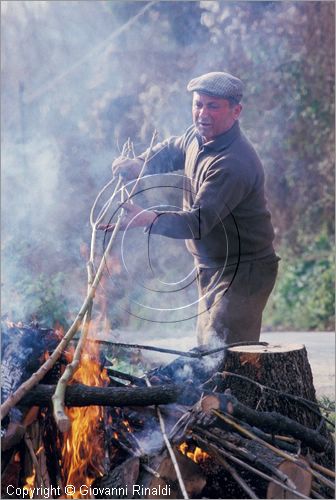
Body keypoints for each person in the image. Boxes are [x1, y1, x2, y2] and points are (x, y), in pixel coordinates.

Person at [101, 71, 279, 347]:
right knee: (207, 351)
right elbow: (174, 147)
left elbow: (198, 222)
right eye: (198, 104)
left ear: (236, 111)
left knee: (221, 354)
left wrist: (148, 219)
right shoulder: (198, 136)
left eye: (213, 106)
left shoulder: (233, 164)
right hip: (210, 266)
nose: (203, 113)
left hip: (243, 270)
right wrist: (140, 163)